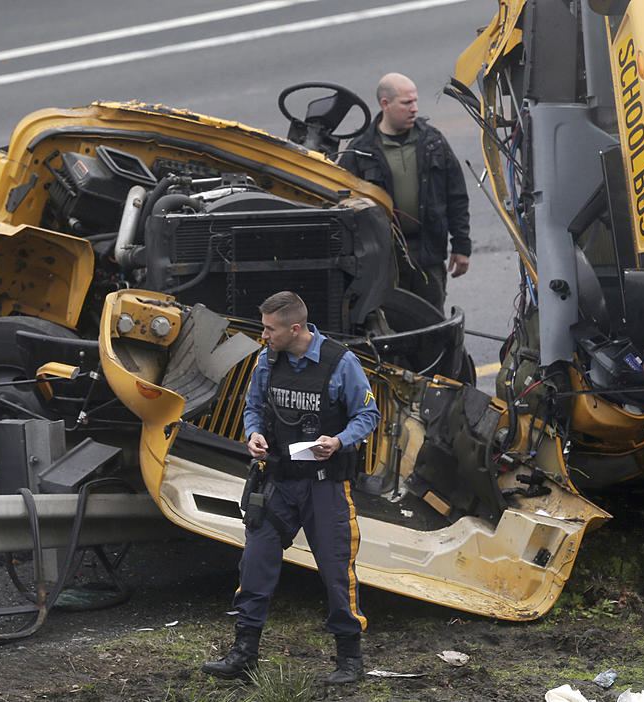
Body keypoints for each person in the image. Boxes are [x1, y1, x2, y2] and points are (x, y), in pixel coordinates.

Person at [202, 291, 380, 685]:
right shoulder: (267, 360)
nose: (263, 336)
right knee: (255, 563)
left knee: (337, 572)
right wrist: (253, 435)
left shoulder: (340, 363)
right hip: (278, 484)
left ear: (294, 329)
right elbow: (252, 407)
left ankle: (349, 661)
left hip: (326, 488)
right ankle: (244, 654)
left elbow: (368, 414)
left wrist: (338, 442)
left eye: (269, 329)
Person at [339, 72, 471, 310]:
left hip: (428, 254)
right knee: (391, 323)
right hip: (383, 260)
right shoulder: (359, 152)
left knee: (432, 321)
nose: (415, 108)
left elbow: (456, 197)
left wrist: (462, 247)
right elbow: (341, 207)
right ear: (385, 104)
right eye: (407, 102)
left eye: (416, 101)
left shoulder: (433, 142)